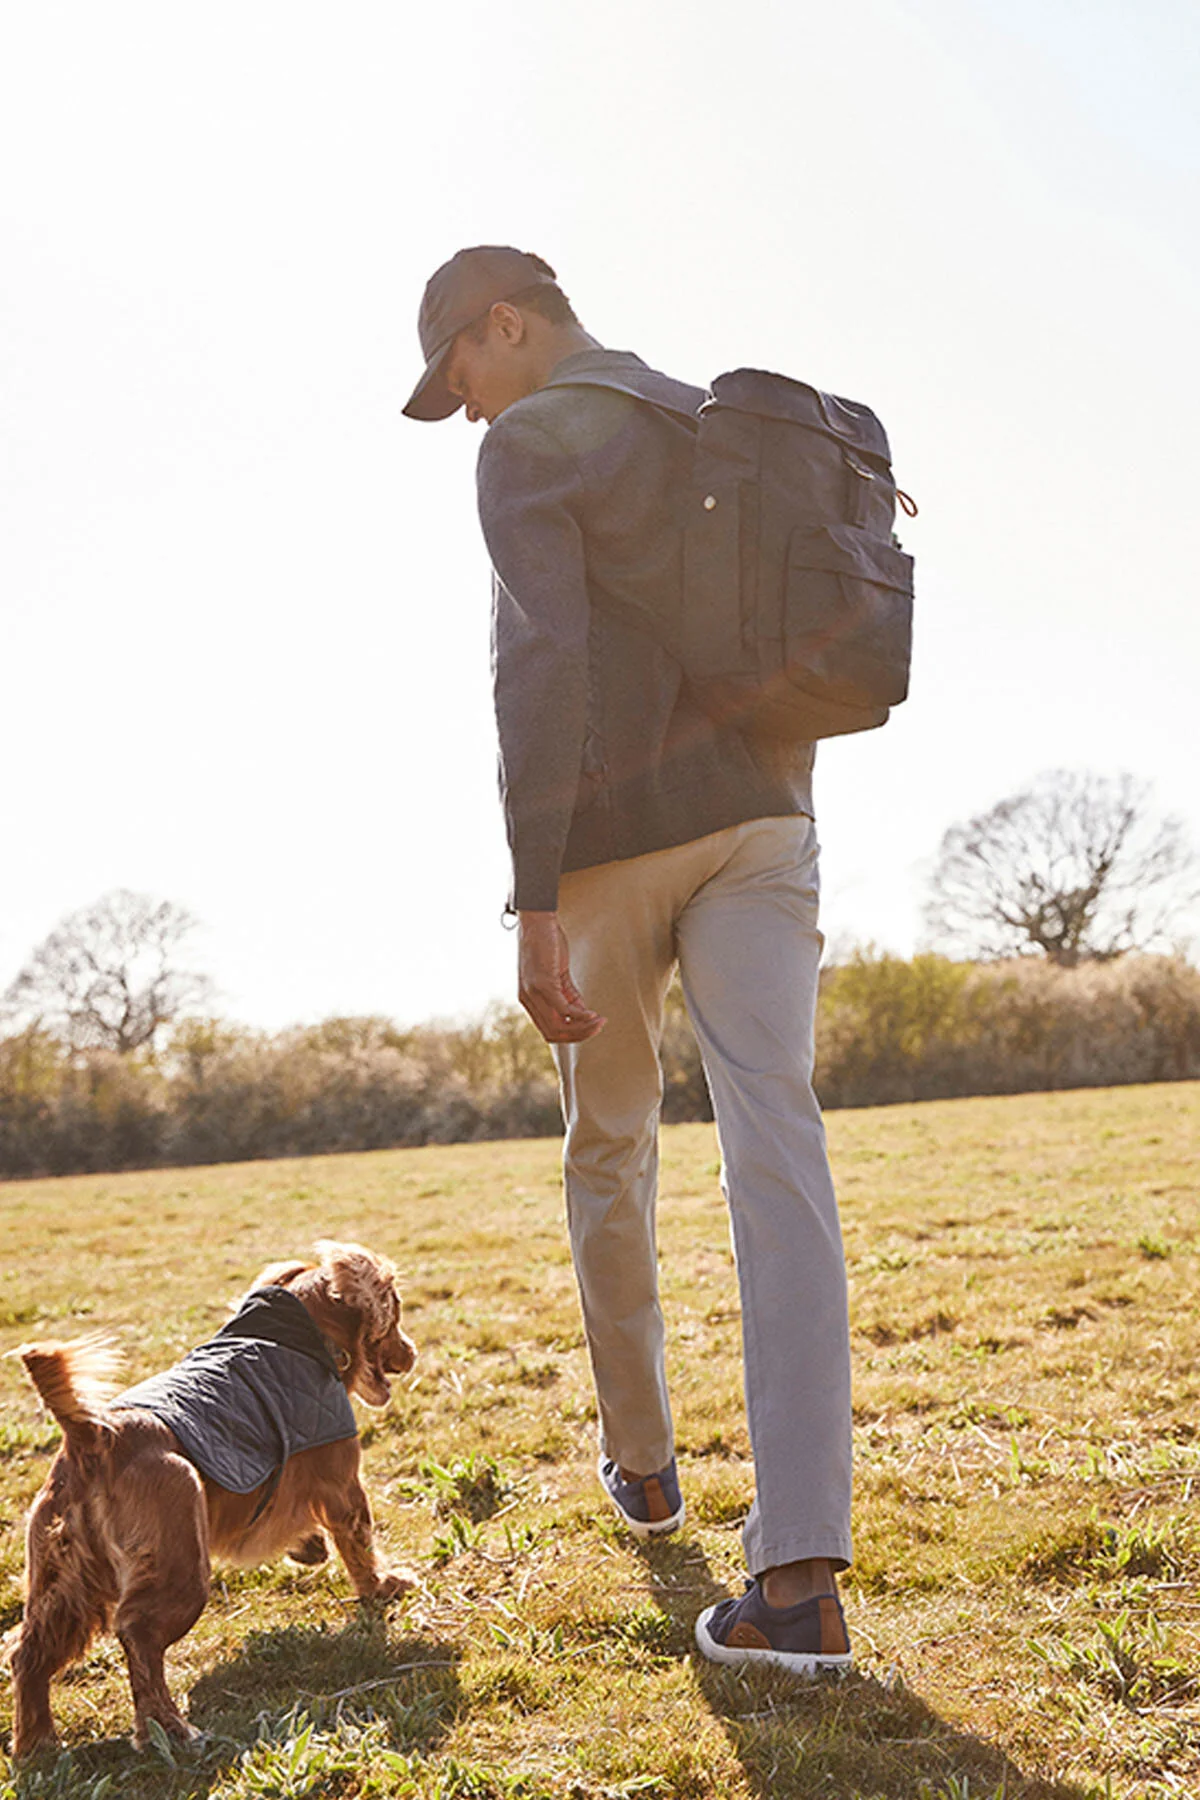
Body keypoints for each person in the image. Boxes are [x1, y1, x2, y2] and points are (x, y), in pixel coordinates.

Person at [403, 246, 854, 1673]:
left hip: (613, 844)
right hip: (772, 827)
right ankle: (798, 1586)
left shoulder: (536, 443)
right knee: (777, 1151)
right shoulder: (719, 416)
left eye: (457, 375)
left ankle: (646, 1466)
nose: (465, 410)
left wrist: (533, 896)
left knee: (610, 1149)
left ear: (506, 324)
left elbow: (540, 660)